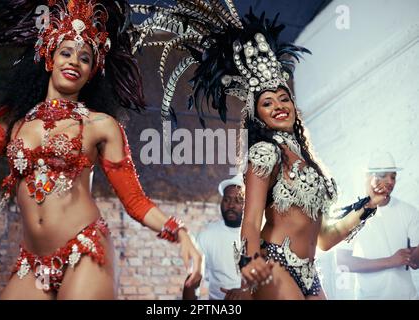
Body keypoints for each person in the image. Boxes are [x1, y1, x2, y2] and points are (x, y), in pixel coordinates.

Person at [132, 1, 389, 299]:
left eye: (284, 98)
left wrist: (368, 205)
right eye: (267, 102)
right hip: (274, 264)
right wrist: (250, 260)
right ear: (257, 115)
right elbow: (251, 220)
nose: (279, 106)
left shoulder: (309, 160)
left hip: (309, 273)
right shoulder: (265, 154)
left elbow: (325, 239)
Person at [0, 0, 201, 299]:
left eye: (85, 58)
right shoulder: (14, 121)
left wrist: (180, 231)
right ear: (49, 57)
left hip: (85, 249)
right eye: (66, 52)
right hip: (32, 262)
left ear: (92, 71)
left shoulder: (101, 125)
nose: (73, 62)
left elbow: (134, 200)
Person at [336, 152, 419, 299]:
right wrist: (390, 261)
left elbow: (414, 263)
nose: (389, 181)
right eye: (382, 175)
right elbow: (343, 262)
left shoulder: (409, 212)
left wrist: (412, 257)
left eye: (393, 177)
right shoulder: (353, 214)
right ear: (368, 177)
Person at [183, 174, 249, 300]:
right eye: (227, 199)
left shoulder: (259, 234)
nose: (231, 205)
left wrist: (246, 292)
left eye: (238, 200)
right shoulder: (208, 234)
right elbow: (193, 279)